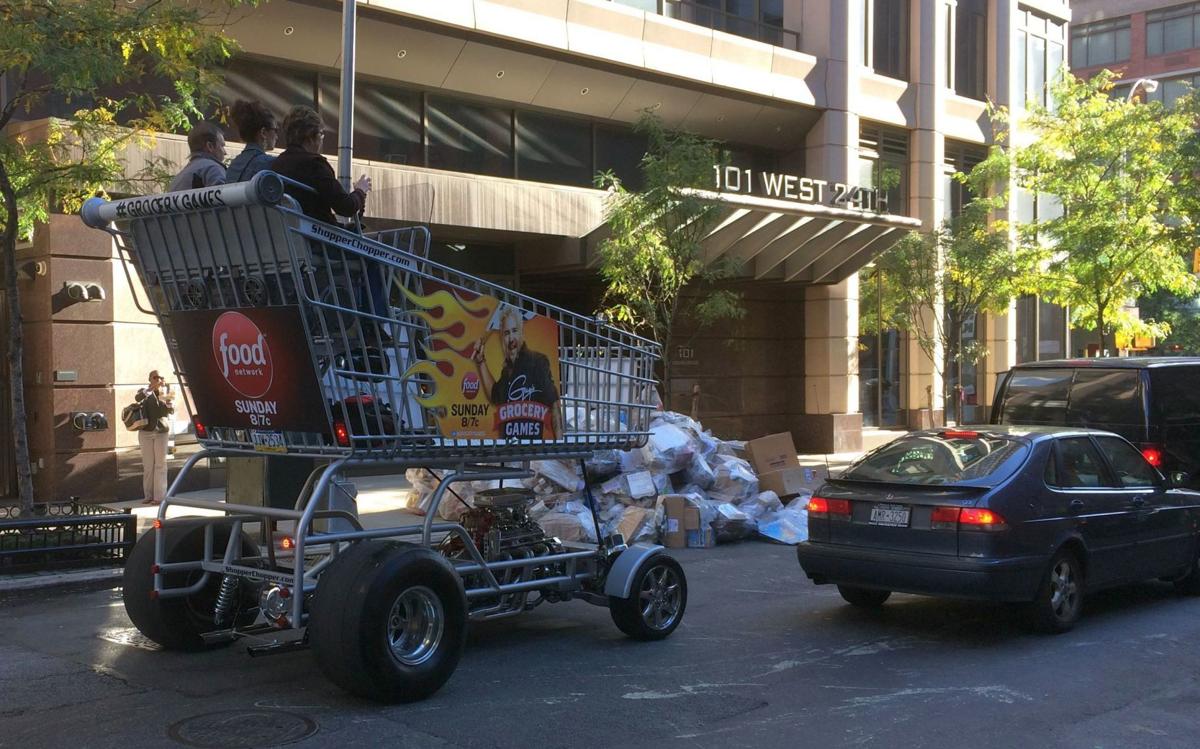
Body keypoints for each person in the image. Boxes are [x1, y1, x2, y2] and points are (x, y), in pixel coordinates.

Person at [473, 305, 563, 439]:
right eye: (506, 333)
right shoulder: (507, 370)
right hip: (510, 447)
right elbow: (494, 395)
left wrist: (560, 444)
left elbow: (554, 404)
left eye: (514, 330)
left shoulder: (537, 362)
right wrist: (481, 362)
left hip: (530, 448)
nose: (511, 339)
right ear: (502, 339)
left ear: (522, 333)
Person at [270, 105, 371, 224]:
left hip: (289, 235)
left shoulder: (276, 165)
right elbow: (346, 207)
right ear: (310, 136)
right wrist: (360, 190)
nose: (322, 139)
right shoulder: (315, 164)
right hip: (318, 238)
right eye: (321, 134)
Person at [136, 370, 175, 505]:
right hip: (145, 431)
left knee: (160, 465)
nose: (158, 379)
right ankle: (148, 495)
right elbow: (138, 399)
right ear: (150, 378)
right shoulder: (144, 391)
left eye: (160, 377)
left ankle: (159, 497)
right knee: (148, 465)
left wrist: (163, 394)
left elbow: (170, 410)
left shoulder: (167, 390)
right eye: (155, 377)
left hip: (161, 431)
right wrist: (152, 388)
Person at [225, 100, 278, 182]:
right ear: (263, 132)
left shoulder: (234, 164)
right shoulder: (268, 163)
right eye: (275, 130)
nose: (276, 137)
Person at [168, 121, 227, 191]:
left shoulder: (177, 179)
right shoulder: (213, 169)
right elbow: (223, 199)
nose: (225, 152)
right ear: (210, 146)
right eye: (222, 146)